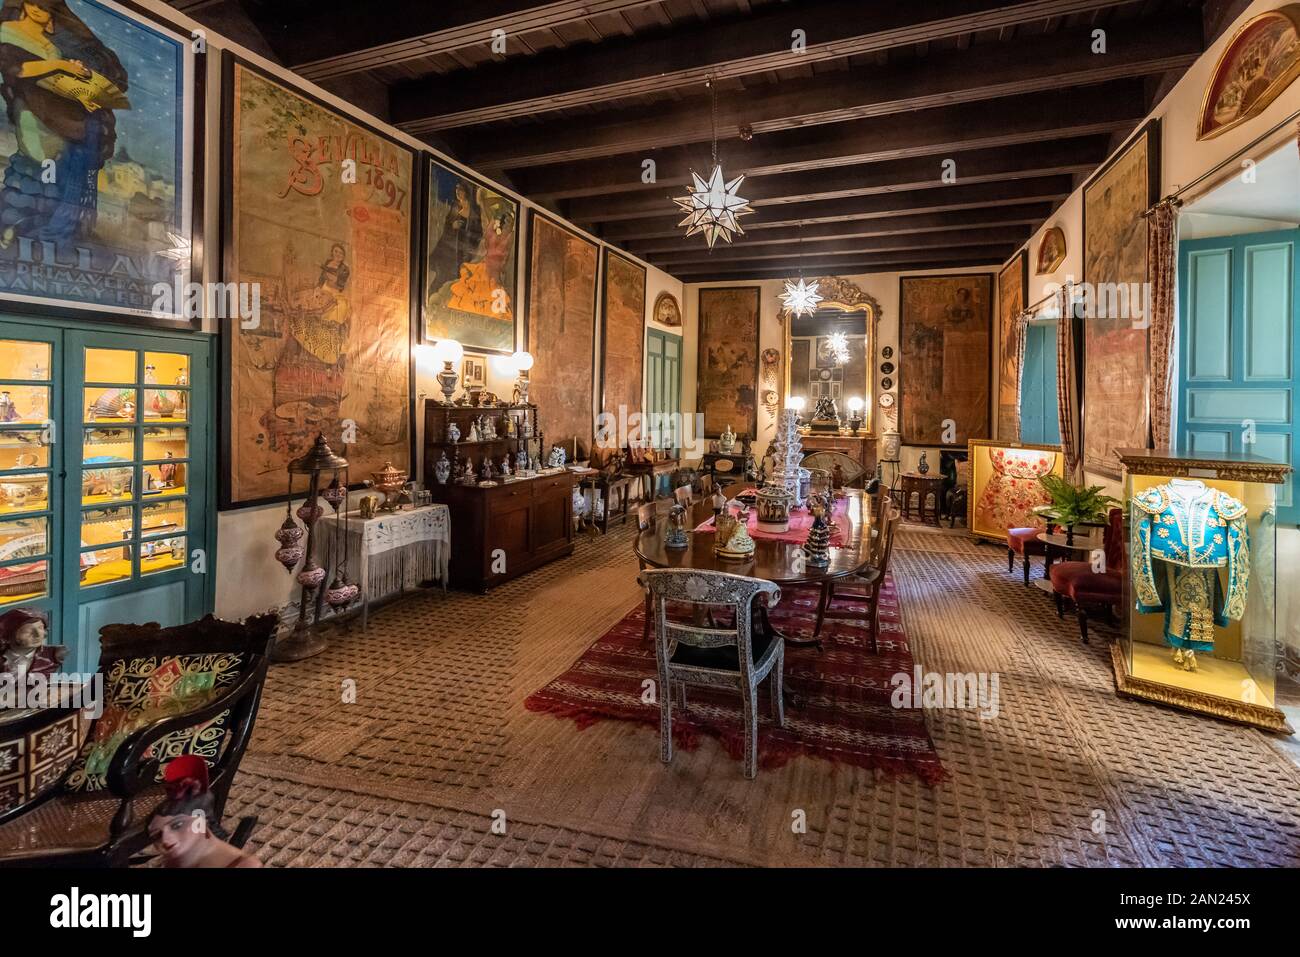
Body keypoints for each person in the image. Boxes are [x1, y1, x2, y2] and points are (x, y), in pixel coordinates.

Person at [147, 755, 261, 868]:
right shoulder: (172, 859)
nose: (165, 840)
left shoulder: (243, 865)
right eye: (157, 835)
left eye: (177, 825)